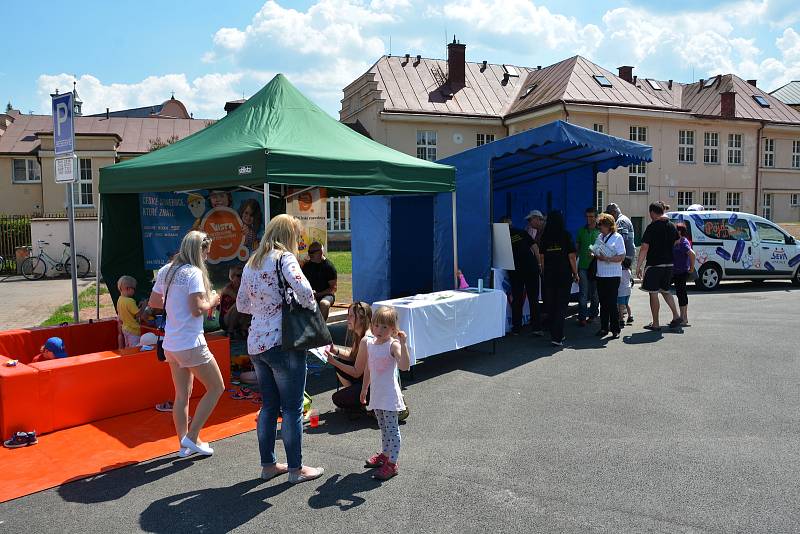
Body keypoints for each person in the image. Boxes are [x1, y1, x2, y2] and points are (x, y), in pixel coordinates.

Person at [236, 214, 324, 484]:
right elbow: (307, 292)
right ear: (287, 235)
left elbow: (241, 304)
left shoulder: (252, 262)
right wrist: (302, 308)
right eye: (297, 235)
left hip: (256, 343)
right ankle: (296, 470)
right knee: (292, 409)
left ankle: (268, 466)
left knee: (269, 406)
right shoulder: (284, 258)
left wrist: (263, 309)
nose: (298, 241)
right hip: (284, 341)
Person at [148, 231, 225, 458]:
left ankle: (184, 444)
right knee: (216, 387)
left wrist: (175, 306)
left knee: (182, 395)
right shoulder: (193, 273)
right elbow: (197, 309)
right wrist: (213, 299)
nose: (207, 258)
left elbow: (154, 302)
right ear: (199, 250)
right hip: (190, 342)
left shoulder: (166, 270)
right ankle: (192, 437)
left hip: (171, 343)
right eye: (206, 253)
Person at [359, 306, 411, 481]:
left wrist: (403, 345)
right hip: (377, 395)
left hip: (389, 397)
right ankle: (385, 455)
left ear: (393, 330)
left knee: (392, 430)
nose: (379, 330)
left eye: (384, 327)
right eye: (376, 325)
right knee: (383, 428)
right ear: (372, 325)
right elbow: (368, 368)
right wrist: (364, 388)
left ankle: (392, 463)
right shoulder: (371, 344)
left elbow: (404, 366)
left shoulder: (393, 345)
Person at [636, 202, 681, 330]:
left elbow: (644, 248)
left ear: (651, 212)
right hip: (669, 264)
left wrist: (638, 266)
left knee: (653, 293)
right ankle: (676, 316)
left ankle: (656, 323)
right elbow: (678, 241)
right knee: (665, 291)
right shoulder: (671, 226)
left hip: (655, 264)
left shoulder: (652, 227)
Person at [539, 211, 579, 347]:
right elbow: (572, 256)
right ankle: (558, 335)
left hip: (549, 274)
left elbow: (542, 257)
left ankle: (554, 334)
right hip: (564, 274)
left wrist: (544, 271)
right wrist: (575, 273)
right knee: (561, 305)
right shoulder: (565, 235)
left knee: (551, 303)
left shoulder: (545, 236)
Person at [500, 216, 542, 335]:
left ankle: (516, 328)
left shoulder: (501, 237)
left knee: (517, 298)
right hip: (529, 268)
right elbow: (535, 247)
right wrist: (539, 264)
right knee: (533, 298)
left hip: (516, 270)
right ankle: (536, 328)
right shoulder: (521, 232)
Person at [327, 303, 373, 409]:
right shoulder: (361, 334)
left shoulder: (366, 339)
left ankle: (363, 403)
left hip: (373, 387)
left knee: (337, 398)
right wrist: (335, 350)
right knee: (340, 362)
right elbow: (353, 356)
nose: (348, 318)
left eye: (351, 316)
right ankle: (359, 400)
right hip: (368, 382)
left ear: (361, 318)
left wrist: (333, 361)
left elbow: (356, 372)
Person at [592, 213, 627, 338]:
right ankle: (603, 328)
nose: (599, 227)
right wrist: (594, 253)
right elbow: (595, 250)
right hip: (601, 274)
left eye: (601, 224)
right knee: (603, 302)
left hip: (613, 275)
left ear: (608, 225)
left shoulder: (617, 238)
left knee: (611, 302)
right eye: (598, 224)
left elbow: (621, 257)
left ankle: (615, 329)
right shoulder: (600, 236)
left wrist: (607, 258)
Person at [576, 207, 600, 326]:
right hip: (583, 266)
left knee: (595, 294)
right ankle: (582, 317)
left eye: (591, 216)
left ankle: (593, 314)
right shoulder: (581, 231)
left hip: (596, 267)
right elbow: (577, 249)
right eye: (587, 216)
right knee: (583, 293)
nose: (588, 219)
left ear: (596, 217)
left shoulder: (601, 231)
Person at [301, 241, 337, 321]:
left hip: (326, 295)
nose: (310, 254)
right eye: (309, 252)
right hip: (311, 294)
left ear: (320, 252)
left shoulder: (329, 267)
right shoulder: (306, 266)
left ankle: (321, 329)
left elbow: (333, 289)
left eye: (312, 252)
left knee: (324, 304)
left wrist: (318, 294)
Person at [672, 225, 696, 327]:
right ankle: (680, 317)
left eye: (676, 231)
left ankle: (684, 318)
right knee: (678, 293)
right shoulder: (676, 241)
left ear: (680, 232)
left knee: (681, 293)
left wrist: (691, 267)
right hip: (674, 271)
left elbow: (692, 254)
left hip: (681, 271)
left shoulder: (683, 242)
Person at [219, 264, 250, 339]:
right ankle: (230, 331)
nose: (241, 277)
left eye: (243, 275)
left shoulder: (244, 287)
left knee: (248, 303)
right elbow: (239, 299)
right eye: (239, 275)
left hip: (238, 319)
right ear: (232, 277)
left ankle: (243, 329)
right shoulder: (228, 288)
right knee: (239, 304)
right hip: (226, 320)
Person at [116, 275, 142, 348]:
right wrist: (144, 305)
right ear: (128, 288)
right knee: (134, 348)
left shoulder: (120, 300)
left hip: (125, 328)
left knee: (127, 347)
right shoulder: (130, 301)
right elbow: (138, 314)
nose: (134, 291)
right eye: (134, 289)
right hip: (133, 330)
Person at [618, 258, 634, 326]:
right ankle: (630, 316)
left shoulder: (620, 272)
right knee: (626, 304)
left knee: (620, 306)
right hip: (628, 290)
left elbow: (619, 281)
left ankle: (621, 319)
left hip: (622, 291)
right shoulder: (629, 271)